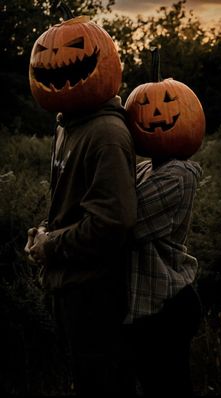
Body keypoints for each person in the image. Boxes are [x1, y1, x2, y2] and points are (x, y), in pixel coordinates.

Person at [25, 16, 137, 397]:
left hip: (94, 295)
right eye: (44, 52)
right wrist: (43, 231)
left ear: (99, 58)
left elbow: (111, 221)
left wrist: (51, 245)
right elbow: (72, 203)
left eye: (72, 49)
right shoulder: (68, 124)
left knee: (101, 385)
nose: (53, 58)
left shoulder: (105, 133)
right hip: (68, 287)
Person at [124, 155, 203, 398]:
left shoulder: (178, 173)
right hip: (146, 306)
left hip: (166, 306)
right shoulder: (145, 167)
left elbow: (118, 223)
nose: (155, 115)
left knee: (167, 386)